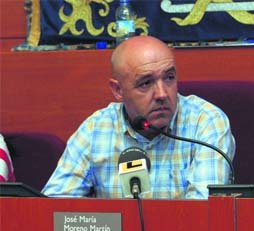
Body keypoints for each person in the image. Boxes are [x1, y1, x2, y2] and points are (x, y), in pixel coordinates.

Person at [42, 36, 235, 199]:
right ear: (118, 90)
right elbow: (54, 208)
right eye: (146, 83)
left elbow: (203, 215)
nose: (162, 94)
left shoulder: (206, 122)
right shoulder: (96, 129)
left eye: (169, 78)